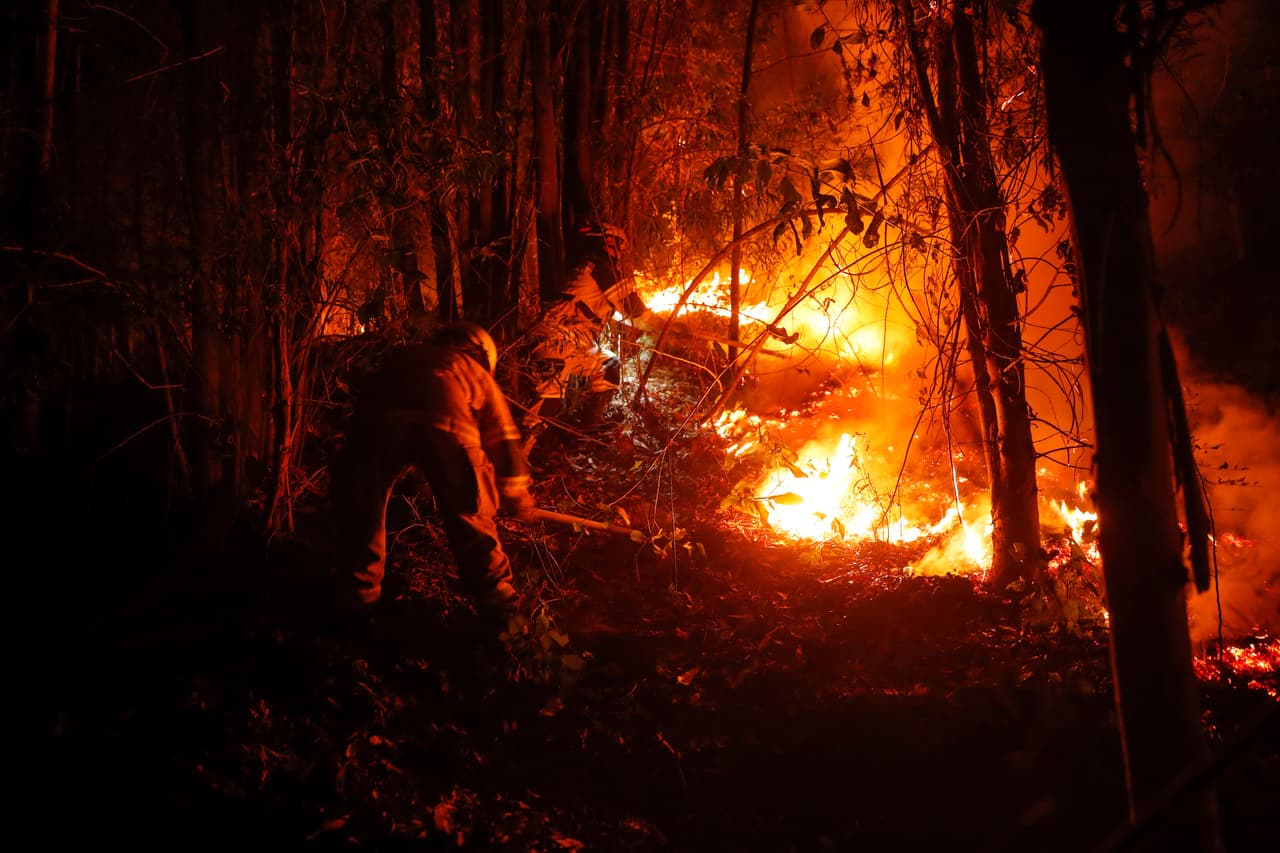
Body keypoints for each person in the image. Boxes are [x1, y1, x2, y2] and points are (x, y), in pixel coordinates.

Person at [329, 321, 538, 623]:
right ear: (480, 353)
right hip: (447, 422)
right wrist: (516, 492)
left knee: (365, 508)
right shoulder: (471, 368)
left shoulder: (401, 357)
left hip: (377, 421)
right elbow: (502, 436)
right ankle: (499, 602)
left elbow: (382, 420)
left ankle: (358, 598)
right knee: (470, 509)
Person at [520, 223, 655, 437]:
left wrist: (652, 327)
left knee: (609, 364)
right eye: (617, 246)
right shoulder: (600, 267)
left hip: (573, 344)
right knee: (545, 408)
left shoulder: (588, 268)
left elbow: (624, 315)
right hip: (557, 342)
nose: (619, 253)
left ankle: (589, 429)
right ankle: (516, 455)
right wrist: (667, 327)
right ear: (607, 242)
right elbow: (633, 310)